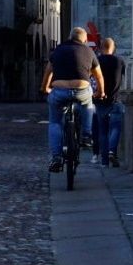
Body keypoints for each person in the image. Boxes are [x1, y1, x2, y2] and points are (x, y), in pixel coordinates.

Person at [40, 26, 102, 173]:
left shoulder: (58, 50)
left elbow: (48, 71)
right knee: (88, 105)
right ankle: (86, 135)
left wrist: (44, 88)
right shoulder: (89, 51)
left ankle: (56, 157)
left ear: (69, 37)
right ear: (85, 39)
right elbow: (99, 76)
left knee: (55, 122)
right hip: (81, 90)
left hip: (59, 90)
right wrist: (101, 92)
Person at [93, 37, 125, 167]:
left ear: (101, 48)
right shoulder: (120, 61)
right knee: (116, 128)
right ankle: (112, 150)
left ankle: (104, 161)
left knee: (103, 131)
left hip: (100, 100)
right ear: (113, 48)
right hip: (116, 99)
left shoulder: (97, 61)